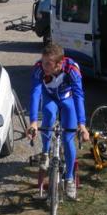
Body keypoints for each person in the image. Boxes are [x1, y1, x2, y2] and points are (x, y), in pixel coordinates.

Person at [27, 43, 90, 200]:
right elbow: (35, 94)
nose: (44, 66)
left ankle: (69, 178)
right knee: (48, 112)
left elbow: (78, 96)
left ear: (59, 64)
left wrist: (82, 125)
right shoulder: (39, 69)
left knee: (68, 139)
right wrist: (33, 122)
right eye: (43, 61)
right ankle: (45, 153)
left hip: (67, 98)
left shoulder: (72, 69)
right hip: (49, 98)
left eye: (48, 63)